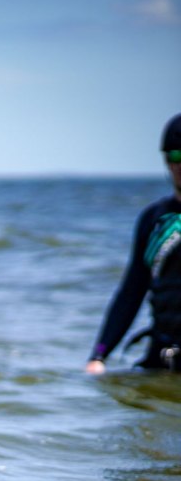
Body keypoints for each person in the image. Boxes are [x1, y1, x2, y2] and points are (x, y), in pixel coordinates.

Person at [86, 113, 181, 373]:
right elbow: (132, 291)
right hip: (162, 356)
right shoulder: (155, 219)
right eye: (175, 157)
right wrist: (99, 355)